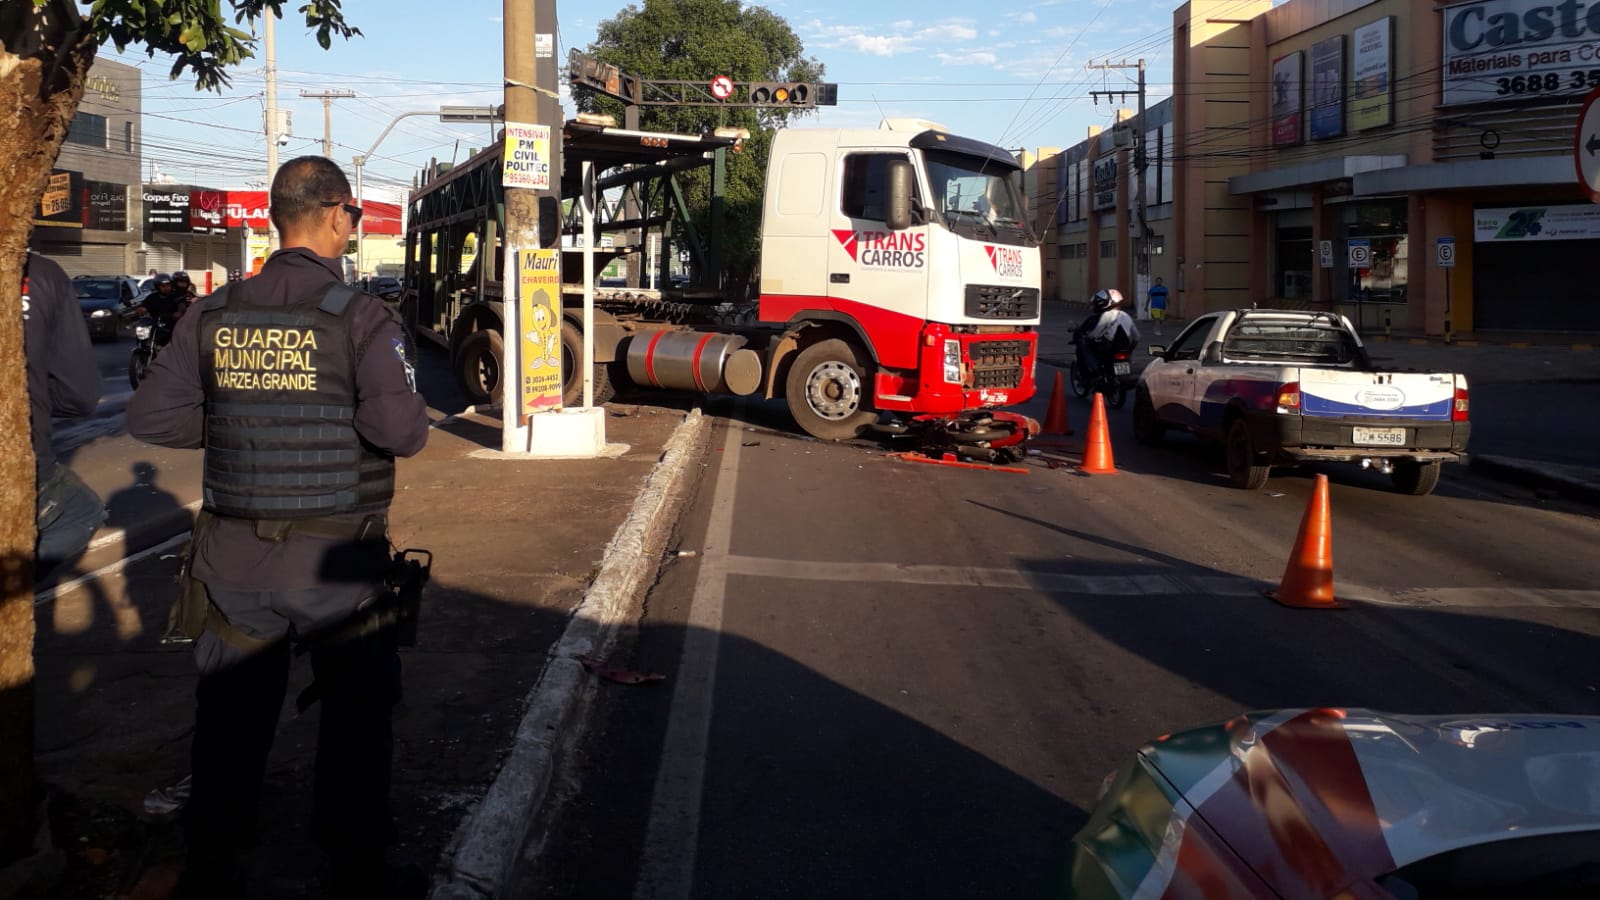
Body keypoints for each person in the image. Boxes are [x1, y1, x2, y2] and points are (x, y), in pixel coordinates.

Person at [127, 155, 429, 898]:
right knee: (356, 722)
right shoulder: (362, 318)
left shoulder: (215, 311)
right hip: (336, 570)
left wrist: (239, 425)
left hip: (233, 562)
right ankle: (354, 870)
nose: (355, 225)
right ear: (333, 214)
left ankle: (211, 867)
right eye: (354, 214)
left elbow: (151, 415)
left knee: (229, 723)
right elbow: (402, 431)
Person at [23, 252, 106, 574]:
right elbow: (79, 396)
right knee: (82, 514)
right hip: (23, 464)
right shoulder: (40, 273)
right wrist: (35, 402)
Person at [1074, 288, 1141, 376]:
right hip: (1123, 347)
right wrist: (1130, 349)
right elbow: (1137, 337)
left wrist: (1088, 337)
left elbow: (1096, 333)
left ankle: (1095, 369)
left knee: (1084, 344)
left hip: (1108, 347)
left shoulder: (1106, 315)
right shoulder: (1126, 316)